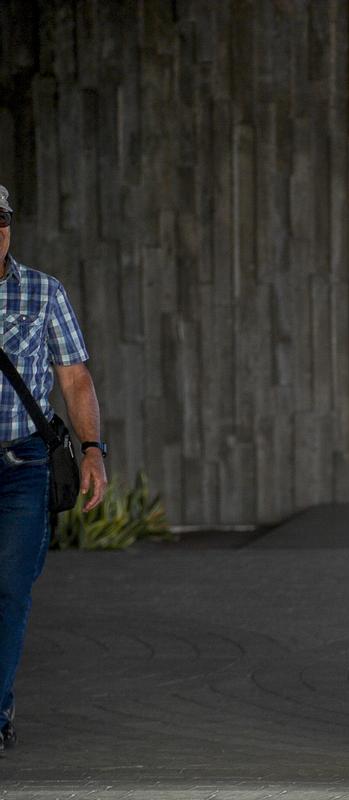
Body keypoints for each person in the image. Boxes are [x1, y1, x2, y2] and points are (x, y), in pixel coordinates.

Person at [0, 183, 108, 756]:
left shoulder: (42, 293)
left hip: (23, 466)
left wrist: (92, 449)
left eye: (1, 220)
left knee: (10, 590)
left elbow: (74, 377)